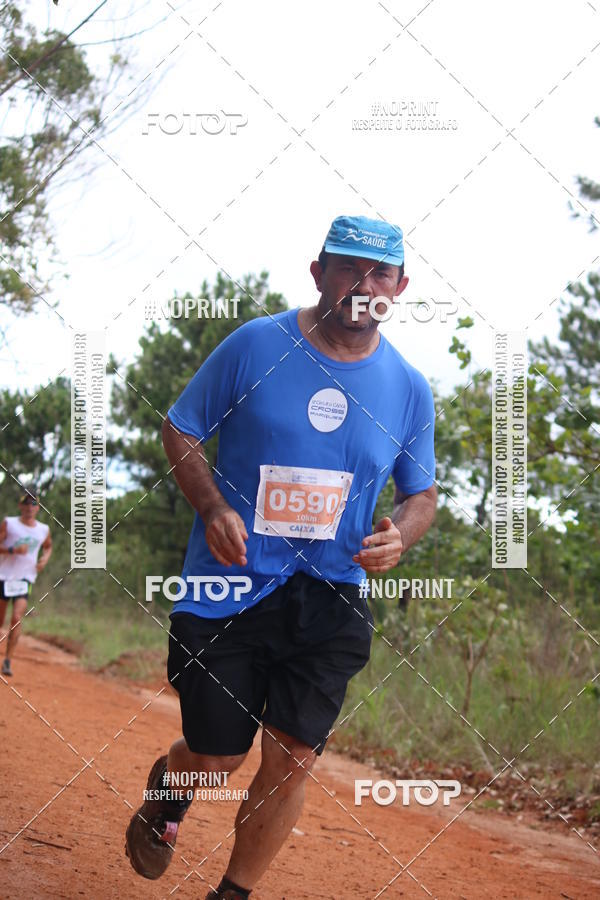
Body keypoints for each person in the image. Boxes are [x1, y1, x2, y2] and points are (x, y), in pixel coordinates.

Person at [126, 214, 438, 898]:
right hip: (229, 585)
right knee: (218, 756)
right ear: (318, 272)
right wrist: (212, 507)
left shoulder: (410, 388)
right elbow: (179, 428)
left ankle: (231, 893)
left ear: (401, 286)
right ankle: (172, 788)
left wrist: (402, 534)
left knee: (294, 756)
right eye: (349, 267)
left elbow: (422, 492)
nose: (364, 283)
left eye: (380, 272)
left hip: (330, 595)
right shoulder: (253, 346)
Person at [0, 486, 52, 676]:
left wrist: (44, 560)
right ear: (20, 506)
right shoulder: (9, 524)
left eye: (33, 503)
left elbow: (48, 547)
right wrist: (12, 551)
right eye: (26, 503)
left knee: (16, 618)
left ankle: (7, 661)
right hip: (4, 577)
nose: (30, 507)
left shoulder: (43, 530)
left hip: (24, 579)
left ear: (38, 508)